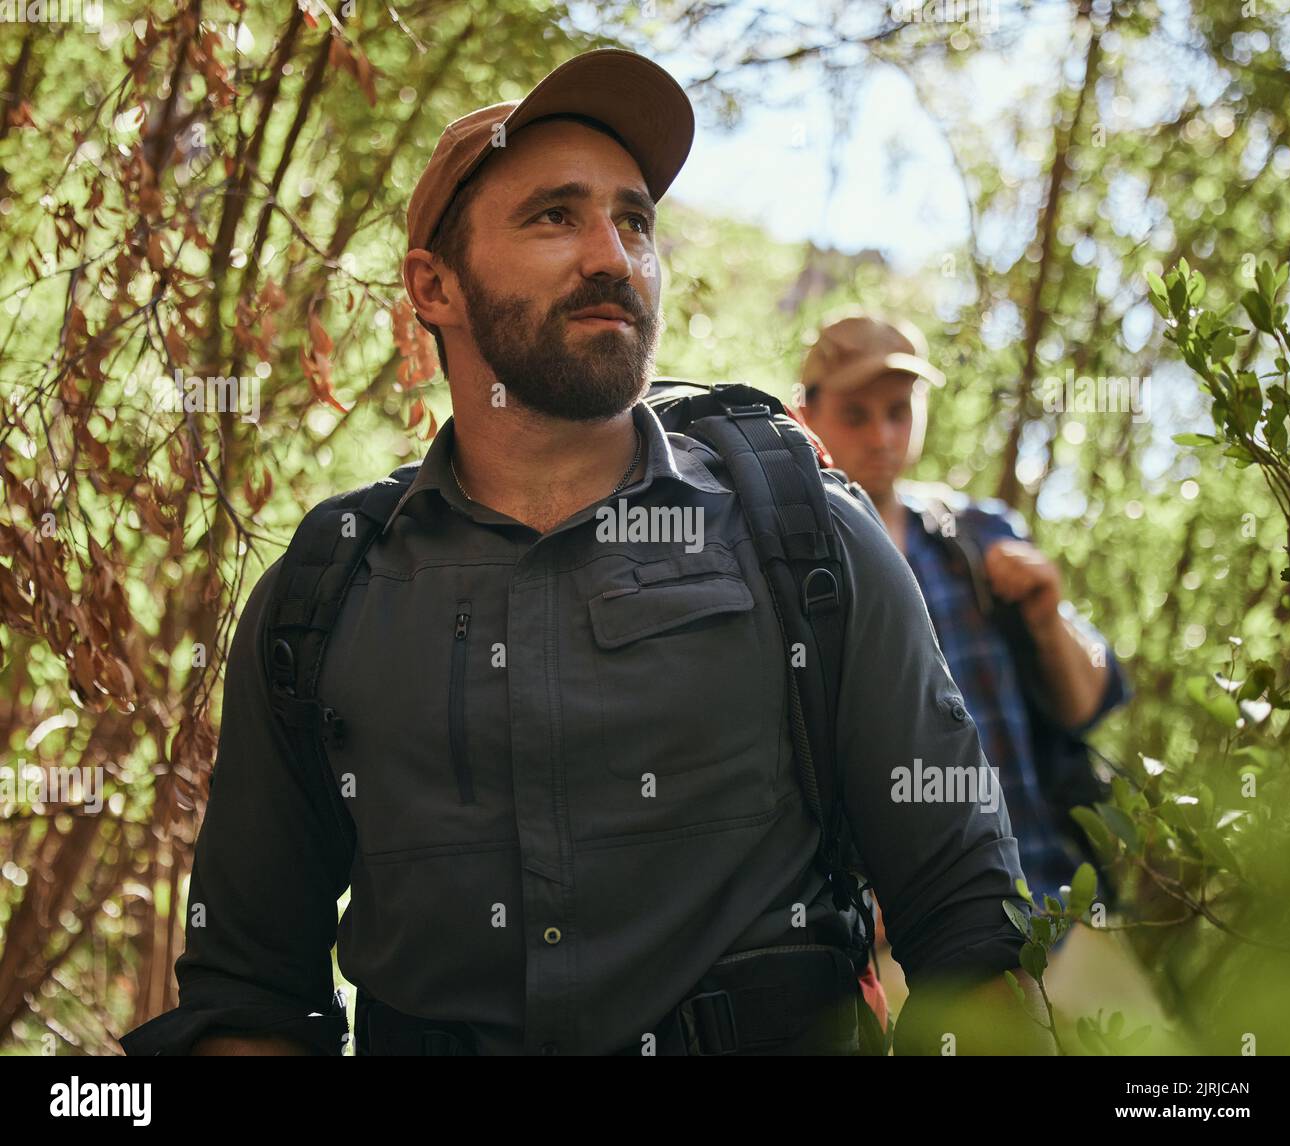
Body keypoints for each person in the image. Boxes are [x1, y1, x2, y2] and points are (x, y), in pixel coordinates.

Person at [118, 50, 1049, 1057]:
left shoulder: (807, 537)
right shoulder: (326, 590)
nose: (611, 254)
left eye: (634, 220)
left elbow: (969, 934)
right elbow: (252, 995)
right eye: (553, 215)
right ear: (435, 285)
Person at [798, 313, 1129, 909]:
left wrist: (1047, 614)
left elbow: (1085, 706)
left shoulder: (979, 536)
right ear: (806, 418)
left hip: (1057, 895)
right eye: (856, 414)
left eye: (899, 411)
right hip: (905, 937)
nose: (882, 436)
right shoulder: (794, 571)